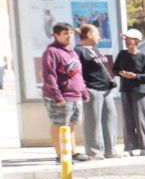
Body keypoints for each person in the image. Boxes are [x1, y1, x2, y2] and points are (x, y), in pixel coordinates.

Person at [40, 23, 88, 162]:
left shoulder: (72, 51)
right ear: (56, 35)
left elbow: (78, 73)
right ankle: (61, 154)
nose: (69, 36)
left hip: (75, 95)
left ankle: (73, 152)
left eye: (72, 33)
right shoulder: (52, 51)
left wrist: (83, 90)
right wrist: (56, 94)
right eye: (65, 33)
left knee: (71, 124)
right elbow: (49, 75)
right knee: (59, 125)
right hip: (61, 96)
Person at [74, 23, 117, 160]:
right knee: (93, 121)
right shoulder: (78, 51)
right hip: (93, 89)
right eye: (97, 33)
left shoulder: (95, 49)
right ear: (89, 34)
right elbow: (77, 72)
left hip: (106, 89)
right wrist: (84, 88)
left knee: (110, 118)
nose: (99, 36)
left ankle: (111, 150)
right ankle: (94, 151)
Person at [112, 30, 145, 155]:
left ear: (137, 41)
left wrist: (135, 76)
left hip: (140, 91)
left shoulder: (143, 56)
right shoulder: (122, 54)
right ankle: (129, 148)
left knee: (141, 119)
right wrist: (122, 73)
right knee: (128, 119)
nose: (126, 40)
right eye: (125, 38)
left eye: (129, 38)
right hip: (125, 90)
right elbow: (115, 69)